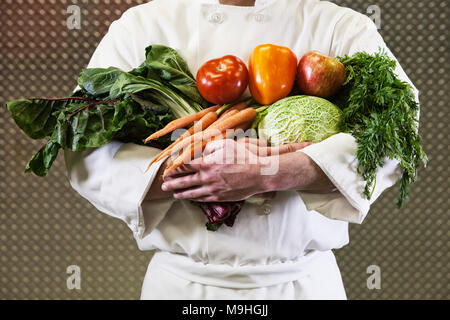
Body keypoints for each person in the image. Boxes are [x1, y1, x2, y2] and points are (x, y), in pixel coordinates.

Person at [64, 0, 418, 299]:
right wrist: (203, 176)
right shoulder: (142, 25)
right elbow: (86, 150)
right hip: (183, 287)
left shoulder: (338, 25)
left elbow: (398, 131)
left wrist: (273, 172)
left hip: (303, 285)